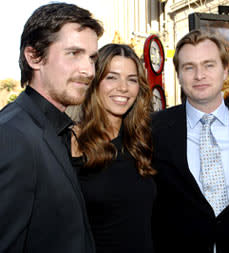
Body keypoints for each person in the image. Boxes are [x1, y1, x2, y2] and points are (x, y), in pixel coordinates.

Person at [0, 3, 103, 252]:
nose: (88, 71)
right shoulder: (13, 136)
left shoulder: (55, 129)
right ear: (34, 57)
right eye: (73, 54)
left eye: (91, 58)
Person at [151, 29, 229, 253]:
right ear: (179, 76)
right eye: (189, 67)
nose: (199, 75)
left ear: (225, 71)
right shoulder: (153, 130)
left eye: (209, 65)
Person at [70, 44, 156, 253]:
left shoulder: (143, 139)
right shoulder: (71, 141)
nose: (123, 87)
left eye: (132, 79)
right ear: (94, 82)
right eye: (112, 77)